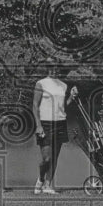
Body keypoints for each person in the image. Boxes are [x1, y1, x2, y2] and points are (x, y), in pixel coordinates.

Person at [32, 65, 78, 195]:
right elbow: (35, 105)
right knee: (46, 158)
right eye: (52, 68)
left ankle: (48, 185)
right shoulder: (40, 83)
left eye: (57, 68)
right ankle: (41, 179)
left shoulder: (63, 85)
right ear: (48, 69)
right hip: (45, 123)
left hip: (60, 122)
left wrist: (71, 97)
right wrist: (38, 125)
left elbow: (63, 107)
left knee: (55, 157)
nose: (55, 70)